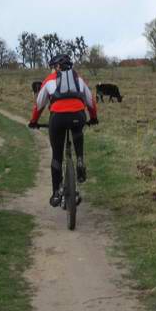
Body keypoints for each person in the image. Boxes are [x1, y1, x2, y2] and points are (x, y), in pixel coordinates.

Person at [28, 53, 98, 207]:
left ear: (58, 67)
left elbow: (39, 105)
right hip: (78, 116)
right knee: (78, 133)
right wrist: (93, 118)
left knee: (57, 156)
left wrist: (34, 121)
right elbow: (91, 101)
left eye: (53, 67)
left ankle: (56, 193)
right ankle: (80, 160)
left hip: (58, 118)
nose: (53, 70)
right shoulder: (78, 79)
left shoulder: (49, 80)